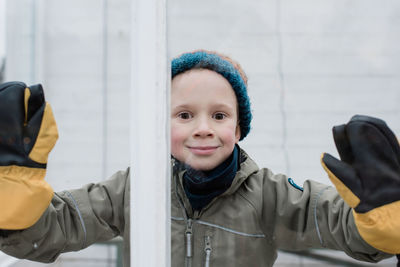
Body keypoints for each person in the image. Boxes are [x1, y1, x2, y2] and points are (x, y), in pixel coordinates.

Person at [0, 50, 399, 267]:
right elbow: (58, 226)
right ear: (160, 124)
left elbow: (339, 223)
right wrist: (15, 206)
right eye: (185, 115)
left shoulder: (271, 194)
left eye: (220, 116)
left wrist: (383, 219)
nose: (203, 128)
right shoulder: (133, 190)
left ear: (239, 128)